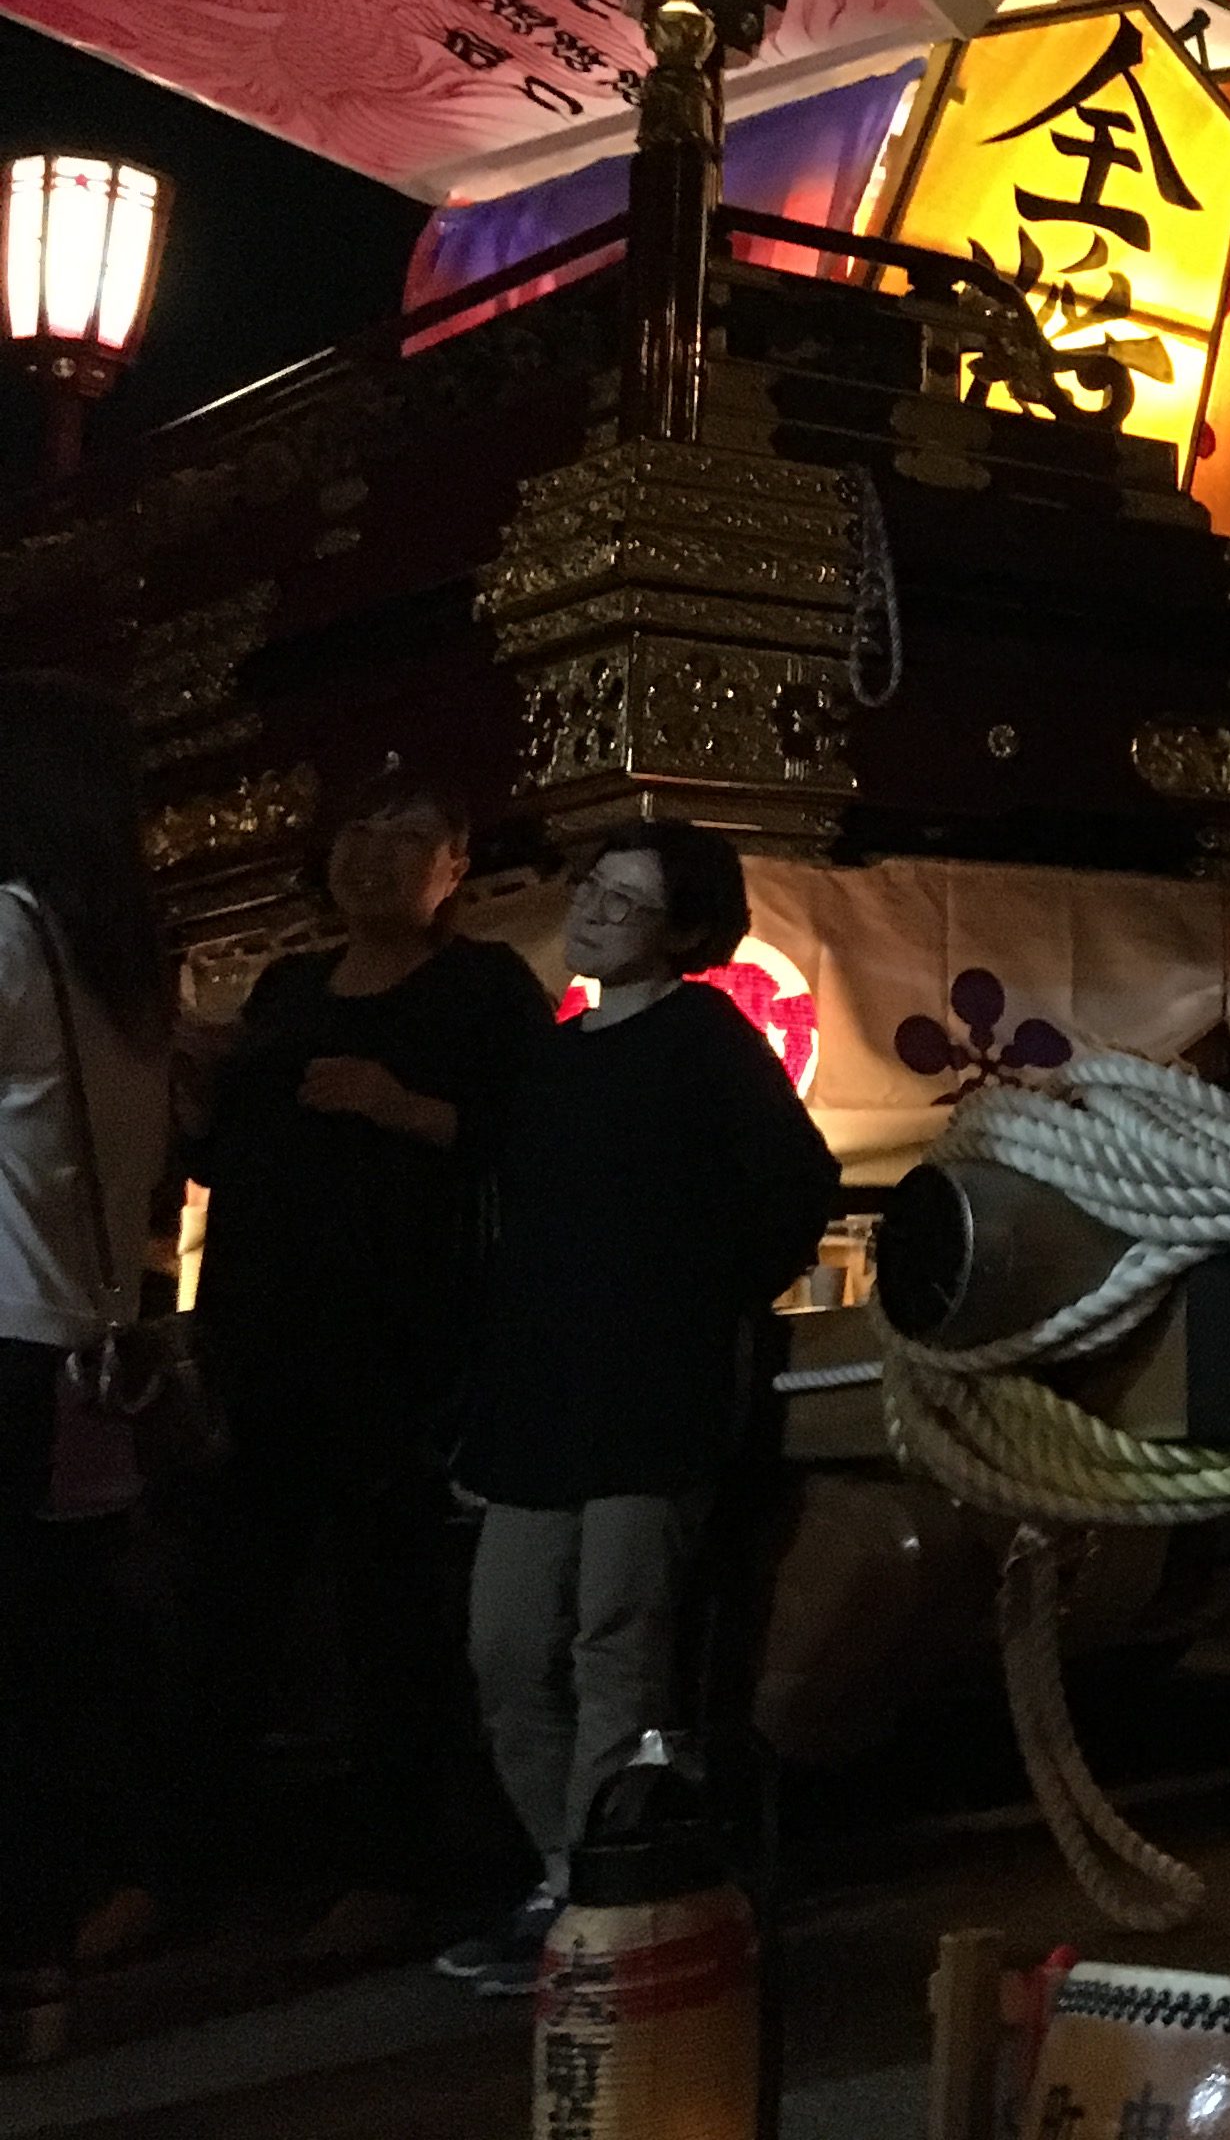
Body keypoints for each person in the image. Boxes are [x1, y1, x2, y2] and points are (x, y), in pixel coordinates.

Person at [435, 822, 835, 1992]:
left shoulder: (704, 1037)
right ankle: (572, 1867)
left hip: (652, 1390)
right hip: (540, 1396)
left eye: (628, 903)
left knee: (621, 1641)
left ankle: (603, 1889)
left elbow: (797, 1183)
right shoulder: (551, 1055)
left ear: (686, 933)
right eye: (594, 891)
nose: (596, 914)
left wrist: (700, 1298)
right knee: (508, 1647)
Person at [188, 770, 549, 1944]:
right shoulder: (289, 988)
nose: (374, 853)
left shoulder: (485, 988)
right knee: (229, 1603)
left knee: (389, 1610)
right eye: (358, 828)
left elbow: (534, 1143)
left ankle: (395, 1866)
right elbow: (226, 1152)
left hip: (403, 1351)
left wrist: (400, 1106)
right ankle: (188, 1861)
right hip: (260, 1340)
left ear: (456, 867)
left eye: (409, 834)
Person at [0, 678, 178, 1991]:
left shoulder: (8, 933)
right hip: (80, 1346)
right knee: (52, 1656)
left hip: (5, 1331)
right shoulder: (119, 958)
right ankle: (50, 1939)